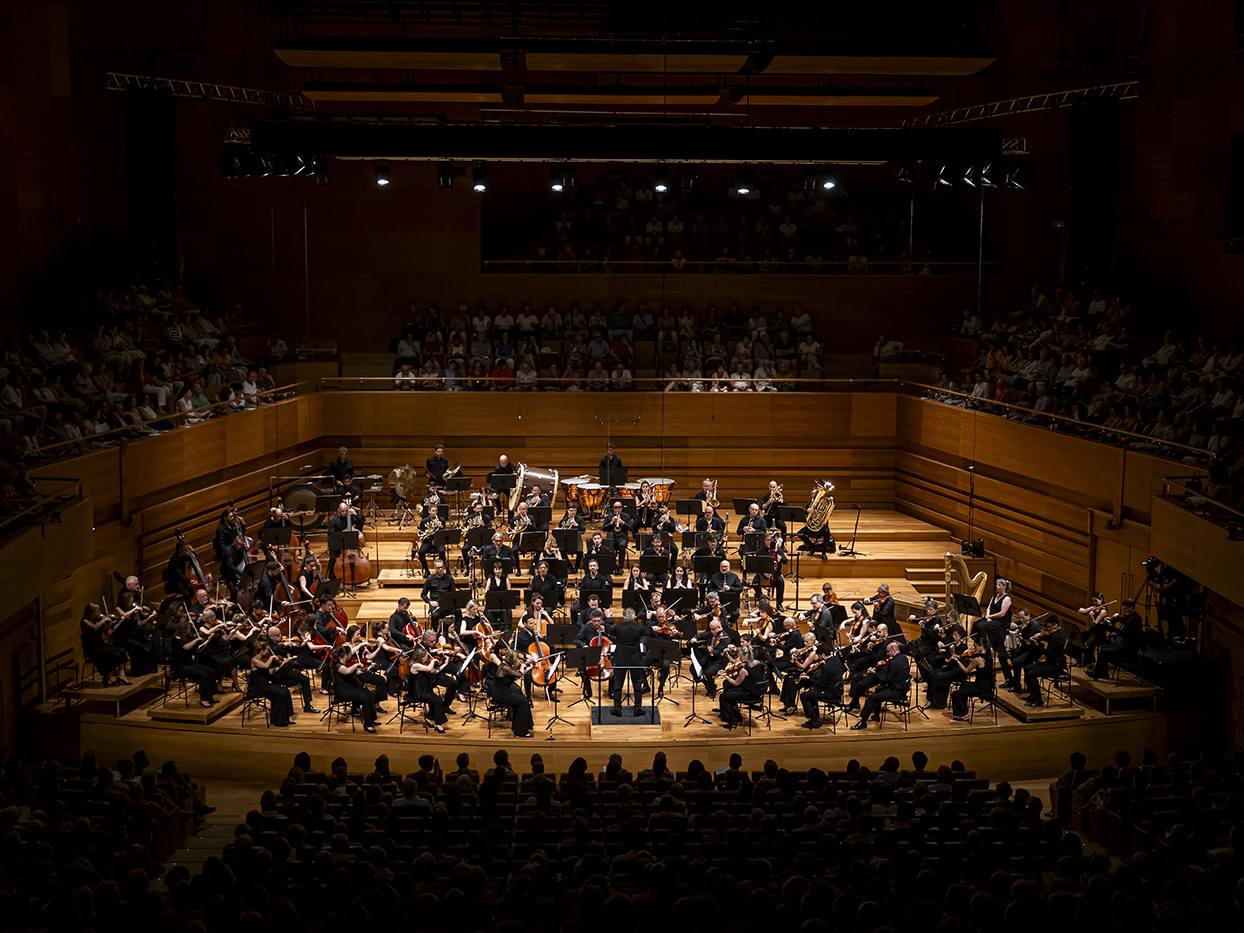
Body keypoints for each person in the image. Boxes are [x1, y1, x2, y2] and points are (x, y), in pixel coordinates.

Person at [850, 640, 910, 730]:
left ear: (893, 650)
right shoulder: (904, 658)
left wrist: (876, 673)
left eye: (888, 651)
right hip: (902, 688)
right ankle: (876, 716)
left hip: (896, 691)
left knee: (871, 698)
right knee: (878, 690)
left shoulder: (894, 662)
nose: (888, 654)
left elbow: (888, 680)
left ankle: (863, 722)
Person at [608, 608, 650, 717]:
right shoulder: (638, 628)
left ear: (623, 617)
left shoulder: (618, 628)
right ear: (634, 617)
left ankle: (617, 709)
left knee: (618, 684)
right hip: (635, 659)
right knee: (637, 684)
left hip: (620, 659)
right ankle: (637, 709)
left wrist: (608, 617)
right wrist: (648, 619)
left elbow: (608, 630)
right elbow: (648, 630)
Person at [976, 578, 1015, 686]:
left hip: (1000, 624)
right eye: (996, 585)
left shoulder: (1007, 598)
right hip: (992, 621)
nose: (997, 587)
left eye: (999, 585)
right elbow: (988, 607)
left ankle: (1009, 679)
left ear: (1005, 587)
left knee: (1000, 655)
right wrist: (987, 615)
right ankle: (983, 644)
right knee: (977, 625)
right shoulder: (994, 596)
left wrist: (990, 617)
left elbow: (1002, 613)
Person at [489, 646, 535, 738]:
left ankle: (519, 727)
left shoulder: (505, 666)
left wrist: (529, 668)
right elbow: (519, 674)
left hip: (504, 691)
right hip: (500, 694)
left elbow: (517, 675)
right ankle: (521, 731)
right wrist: (522, 667)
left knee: (523, 699)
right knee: (523, 703)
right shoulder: (505, 668)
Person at [1023, 617, 1069, 707]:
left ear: (1056, 625)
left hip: (1056, 665)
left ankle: (1038, 700)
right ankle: (1033, 695)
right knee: (1027, 668)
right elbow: (1048, 637)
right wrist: (1038, 636)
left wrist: (1037, 645)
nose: (1047, 629)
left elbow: (1047, 653)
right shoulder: (1055, 634)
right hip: (1050, 663)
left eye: (1049, 627)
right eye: (1046, 627)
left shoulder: (1057, 636)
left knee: (1032, 674)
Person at [332, 643, 378, 733]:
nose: (351, 655)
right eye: (350, 654)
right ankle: (368, 725)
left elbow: (358, 672)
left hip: (351, 688)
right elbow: (348, 671)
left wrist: (369, 668)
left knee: (371, 695)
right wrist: (356, 664)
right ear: (346, 655)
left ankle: (373, 719)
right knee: (365, 699)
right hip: (343, 691)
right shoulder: (338, 666)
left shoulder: (346, 664)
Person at [798, 643, 846, 728]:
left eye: (819, 655)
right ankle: (815, 718)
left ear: (823, 654)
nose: (818, 657)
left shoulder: (826, 667)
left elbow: (822, 683)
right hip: (838, 690)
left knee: (804, 696)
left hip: (830, 693)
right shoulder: (836, 659)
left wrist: (808, 677)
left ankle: (814, 721)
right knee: (811, 692)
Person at [80, 604, 129, 687]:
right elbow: (94, 628)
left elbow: (109, 632)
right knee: (112, 654)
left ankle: (122, 676)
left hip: (101, 645)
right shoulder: (85, 621)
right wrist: (103, 621)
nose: (99, 613)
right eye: (98, 611)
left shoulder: (98, 621)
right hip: (92, 648)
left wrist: (119, 623)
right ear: (91, 612)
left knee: (121, 650)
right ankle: (107, 677)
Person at [405, 645, 450, 733]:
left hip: (426, 691)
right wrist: (433, 661)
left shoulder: (421, 665)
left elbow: (434, 671)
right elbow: (429, 669)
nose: (427, 658)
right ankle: (438, 724)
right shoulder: (415, 665)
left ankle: (429, 718)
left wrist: (445, 664)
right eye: (426, 656)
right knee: (438, 701)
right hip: (418, 693)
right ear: (421, 657)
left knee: (436, 700)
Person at [249, 645, 296, 727]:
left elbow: (270, 672)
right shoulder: (254, 660)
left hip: (266, 685)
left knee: (285, 691)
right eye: (267, 650)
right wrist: (271, 658)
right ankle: (278, 721)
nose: (268, 652)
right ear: (261, 650)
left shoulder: (264, 659)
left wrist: (281, 665)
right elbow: (265, 666)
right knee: (279, 694)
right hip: (259, 687)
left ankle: (288, 717)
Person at [949, 637, 993, 721]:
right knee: (964, 684)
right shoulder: (989, 656)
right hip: (987, 685)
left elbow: (966, 670)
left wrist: (957, 660)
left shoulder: (977, 659)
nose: (974, 648)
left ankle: (964, 714)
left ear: (981, 647)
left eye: (975, 646)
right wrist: (963, 656)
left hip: (980, 688)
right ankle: (963, 712)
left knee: (955, 694)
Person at [688, 615, 732, 698]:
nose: (711, 631)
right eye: (710, 629)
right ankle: (707, 685)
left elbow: (717, 652)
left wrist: (712, 651)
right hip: (709, 658)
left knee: (708, 672)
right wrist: (695, 638)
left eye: (712, 629)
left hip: (719, 661)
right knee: (692, 668)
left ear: (718, 627)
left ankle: (712, 690)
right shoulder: (712, 634)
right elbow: (702, 635)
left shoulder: (725, 639)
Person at [422, 559, 458, 635]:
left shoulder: (449, 578)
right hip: (436, 604)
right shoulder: (430, 579)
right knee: (435, 615)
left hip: (447, 603)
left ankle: (458, 631)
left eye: (441, 567)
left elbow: (453, 593)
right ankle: (435, 633)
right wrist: (430, 601)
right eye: (438, 568)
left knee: (458, 611)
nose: (440, 569)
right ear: (435, 568)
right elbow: (423, 594)